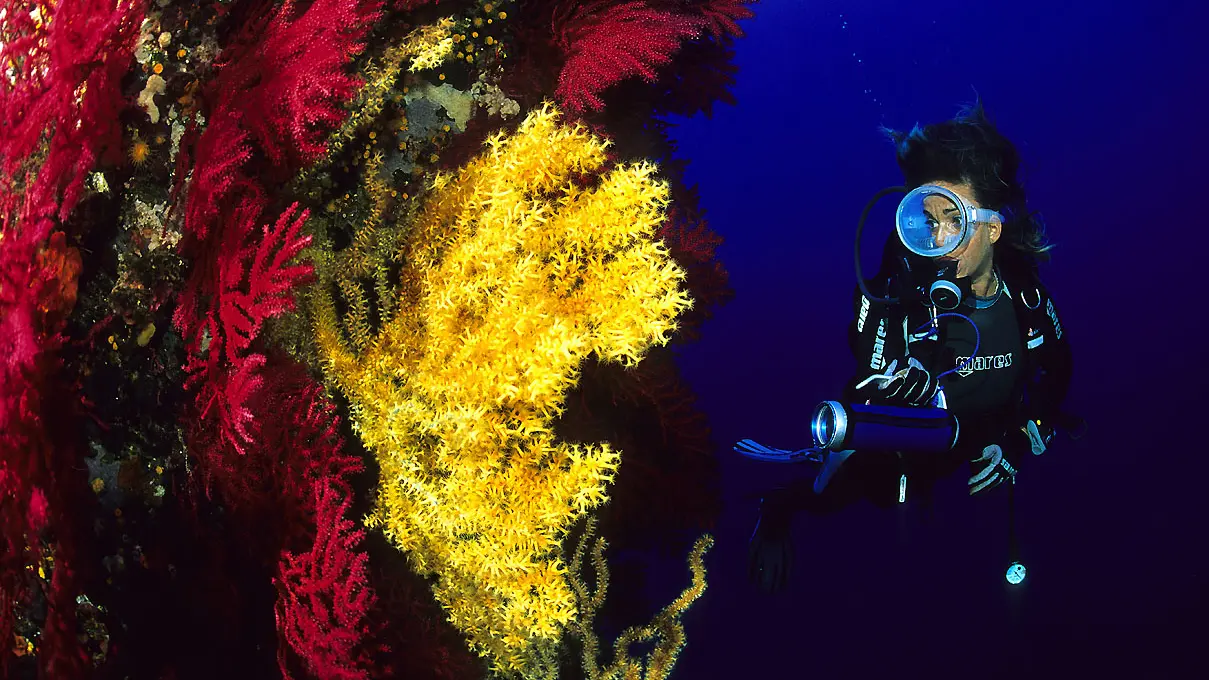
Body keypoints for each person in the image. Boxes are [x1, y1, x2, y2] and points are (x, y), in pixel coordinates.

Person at [748, 101, 1079, 593]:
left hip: (987, 434)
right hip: (914, 435)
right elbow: (867, 357)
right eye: (927, 219)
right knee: (853, 489)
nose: (938, 239)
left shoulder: (1025, 297)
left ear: (991, 228)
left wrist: (1025, 434)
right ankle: (778, 507)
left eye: (955, 220)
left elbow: (1058, 371)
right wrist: (894, 374)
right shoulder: (903, 282)